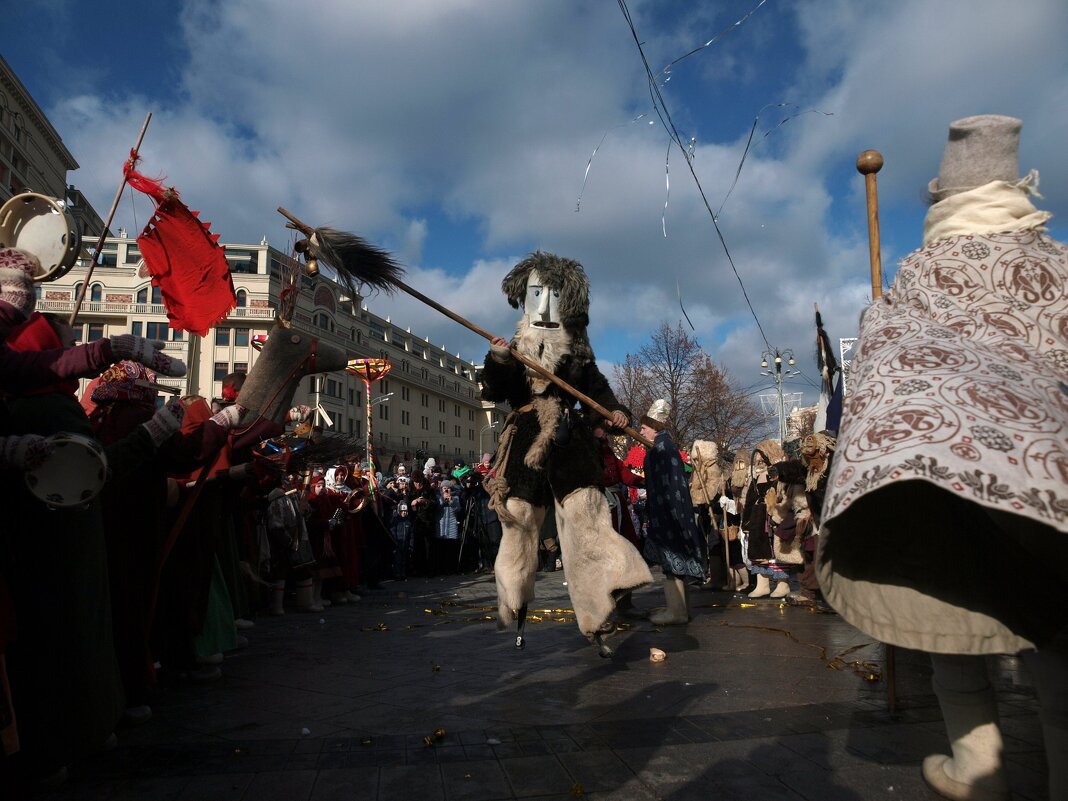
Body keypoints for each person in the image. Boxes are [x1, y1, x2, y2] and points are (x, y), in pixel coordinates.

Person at [816, 115, 1068, 801]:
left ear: (943, 202)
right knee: (1059, 621)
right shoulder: (1060, 265)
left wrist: (878, 326)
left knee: (954, 610)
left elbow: (877, 382)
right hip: (1054, 480)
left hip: (950, 483)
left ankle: (976, 772)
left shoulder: (922, 276)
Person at [481, 252, 651, 649]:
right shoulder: (515, 348)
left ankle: (601, 602)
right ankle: (514, 597)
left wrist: (616, 413)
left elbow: (599, 392)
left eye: (551, 296)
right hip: (525, 440)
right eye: (535, 294)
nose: (541, 306)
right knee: (519, 518)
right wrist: (498, 359)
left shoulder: (578, 354)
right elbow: (494, 391)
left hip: (568, 441)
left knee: (586, 517)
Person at [637, 400, 708, 625]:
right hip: (675, 511)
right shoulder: (667, 445)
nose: (641, 431)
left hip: (667, 512)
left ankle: (676, 612)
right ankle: (682, 610)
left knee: (671, 562)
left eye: (644, 428)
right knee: (678, 560)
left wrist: (664, 512)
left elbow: (666, 485)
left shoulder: (660, 448)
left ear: (655, 427)